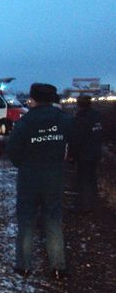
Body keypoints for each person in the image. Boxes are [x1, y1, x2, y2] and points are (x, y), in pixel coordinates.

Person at [6, 83, 72, 279]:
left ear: (33, 99)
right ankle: (58, 267)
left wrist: (25, 165)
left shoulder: (25, 121)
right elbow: (73, 142)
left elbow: (12, 151)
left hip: (29, 179)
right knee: (53, 221)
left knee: (26, 222)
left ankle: (24, 266)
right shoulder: (64, 119)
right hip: (54, 177)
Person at [69, 95, 103, 212]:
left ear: (79, 104)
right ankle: (93, 202)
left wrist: (71, 155)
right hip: (95, 152)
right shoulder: (97, 115)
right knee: (92, 178)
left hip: (84, 154)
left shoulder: (80, 118)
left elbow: (76, 138)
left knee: (82, 180)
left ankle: (83, 205)